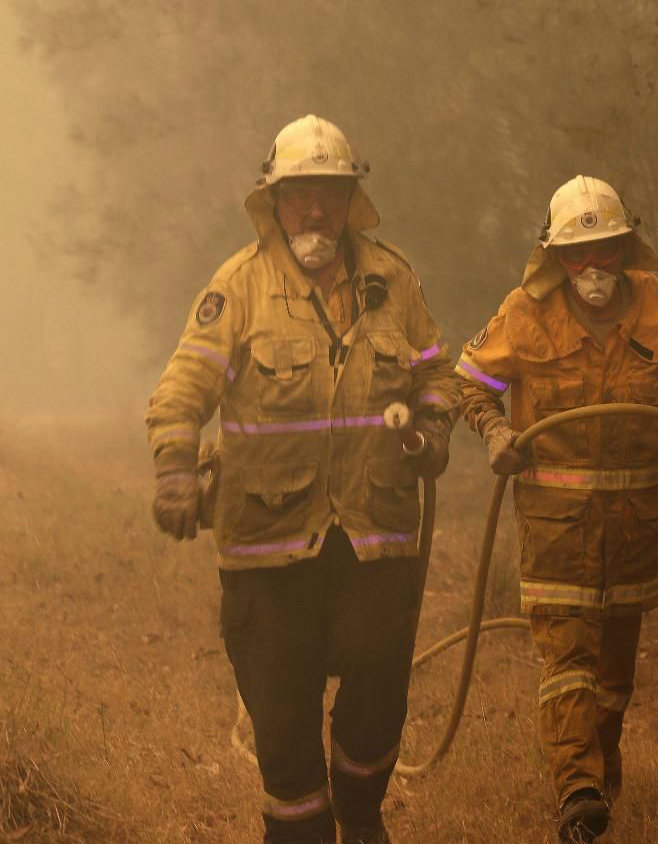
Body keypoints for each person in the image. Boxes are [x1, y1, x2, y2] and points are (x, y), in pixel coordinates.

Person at [145, 114, 459, 844]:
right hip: (268, 549)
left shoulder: (394, 279)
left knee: (379, 697)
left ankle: (362, 813)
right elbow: (182, 388)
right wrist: (175, 471)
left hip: (375, 540)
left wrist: (435, 428)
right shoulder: (238, 288)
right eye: (299, 195)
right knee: (284, 724)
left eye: (330, 193)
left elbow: (436, 374)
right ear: (274, 202)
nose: (315, 210)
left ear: (351, 199)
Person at [456, 175, 658, 844]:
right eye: (577, 255)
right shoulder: (524, 312)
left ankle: (601, 769)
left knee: (614, 674)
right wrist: (496, 432)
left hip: (634, 525)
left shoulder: (654, 303)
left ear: (627, 249)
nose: (593, 268)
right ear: (555, 257)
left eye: (606, 251)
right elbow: (472, 383)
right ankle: (577, 790)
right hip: (556, 528)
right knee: (567, 660)